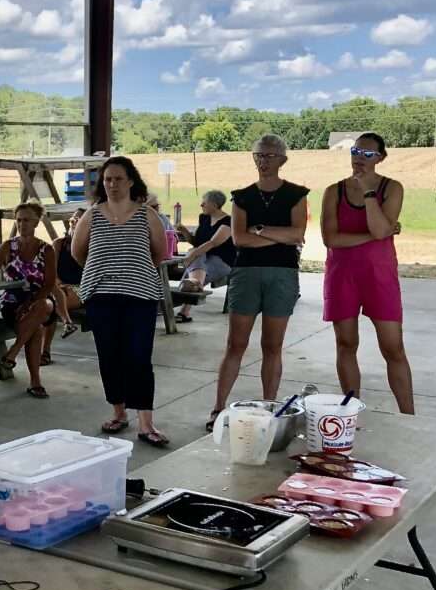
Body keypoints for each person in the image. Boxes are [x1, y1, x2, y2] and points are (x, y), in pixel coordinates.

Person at [207, 135, 308, 431]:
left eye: (270, 156)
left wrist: (261, 230)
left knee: (272, 345)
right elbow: (240, 239)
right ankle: (218, 408)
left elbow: (297, 233)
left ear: (283, 160)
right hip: (246, 273)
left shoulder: (297, 194)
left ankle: (269, 407)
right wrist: (279, 234)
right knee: (235, 344)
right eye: (259, 155)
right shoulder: (242, 196)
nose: (264, 161)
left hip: (283, 273)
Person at [72, 156, 169, 447]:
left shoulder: (147, 214)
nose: (112, 184)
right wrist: (102, 271)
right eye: (107, 179)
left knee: (139, 357)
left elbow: (159, 253)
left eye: (118, 178)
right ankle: (118, 412)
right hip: (101, 296)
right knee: (110, 355)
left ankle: (146, 423)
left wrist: (132, 271)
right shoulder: (92, 214)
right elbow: (78, 253)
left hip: (140, 295)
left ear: (130, 181)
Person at [320, 132, 414, 414]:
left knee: (393, 347)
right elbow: (331, 239)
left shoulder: (392, 188)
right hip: (342, 275)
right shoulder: (333, 191)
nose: (360, 158)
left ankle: (408, 415)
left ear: (381, 158)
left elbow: (380, 228)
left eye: (368, 154)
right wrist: (377, 235)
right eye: (356, 152)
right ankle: (350, 411)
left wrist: (369, 193)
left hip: (379, 275)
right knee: (346, 343)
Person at [0, 202, 56, 398]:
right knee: (36, 329)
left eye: (27, 220)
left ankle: (14, 350)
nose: (22, 224)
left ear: (36, 222)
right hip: (12, 302)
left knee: (43, 306)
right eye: (19, 220)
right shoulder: (8, 246)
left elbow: (48, 284)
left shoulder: (46, 250)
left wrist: (28, 304)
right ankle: (35, 382)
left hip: (38, 300)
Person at [174, 189, 236, 323]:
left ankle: (192, 287)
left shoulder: (228, 222)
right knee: (196, 256)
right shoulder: (204, 218)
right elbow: (197, 242)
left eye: (204, 202)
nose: (201, 205)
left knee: (195, 256)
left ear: (214, 204)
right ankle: (195, 284)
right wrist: (184, 231)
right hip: (203, 259)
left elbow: (213, 243)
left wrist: (191, 256)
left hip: (223, 261)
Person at [41, 206, 85, 365]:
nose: (74, 222)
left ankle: (44, 352)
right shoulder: (59, 244)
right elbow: (51, 270)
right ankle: (66, 324)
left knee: (50, 304)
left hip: (81, 288)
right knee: (49, 303)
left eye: (80, 220)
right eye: (73, 219)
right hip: (59, 287)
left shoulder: (91, 246)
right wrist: (58, 282)